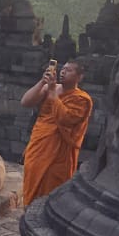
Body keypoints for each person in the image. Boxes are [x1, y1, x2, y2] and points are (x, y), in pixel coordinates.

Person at [19, 59, 94, 205]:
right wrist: (42, 82)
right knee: (32, 177)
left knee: (52, 184)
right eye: (63, 69)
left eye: (69, 70)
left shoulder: (82, 99)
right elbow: (26, 102)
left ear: (79, 77)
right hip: (40, 143)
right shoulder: (49, 88)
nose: (63, 72)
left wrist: (52, 91)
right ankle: (28, 208)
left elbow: (66, 119)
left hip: (60, 150)